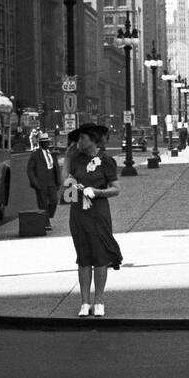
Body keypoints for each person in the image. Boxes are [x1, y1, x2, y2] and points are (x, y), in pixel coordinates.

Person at [61, 123, 123, 318]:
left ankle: (99, 300)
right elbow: (65, 184)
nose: (79, 142)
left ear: (93, 140)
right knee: (83, 257)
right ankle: (84, 302)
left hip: (99, 212)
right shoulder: (76, 159)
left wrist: (98, 192)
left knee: (100, 257)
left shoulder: (106, 161)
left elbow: (116, 189)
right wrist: (67, 159)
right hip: (78, 212)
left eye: (83, 138)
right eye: (78, 138)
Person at [27, 132, 62, 231]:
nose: (47, 144)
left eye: (47, 142)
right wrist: (35, 182)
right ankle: (46, 222)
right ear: (40, 143)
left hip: (52, 182)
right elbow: (30, 170)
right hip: (41, 183)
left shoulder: (52, 154)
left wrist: (58, 181)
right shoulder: (35, 155)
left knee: (54, 201)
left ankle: (47, 216)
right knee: (43, 203)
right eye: (44, 142)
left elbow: (56, 168)